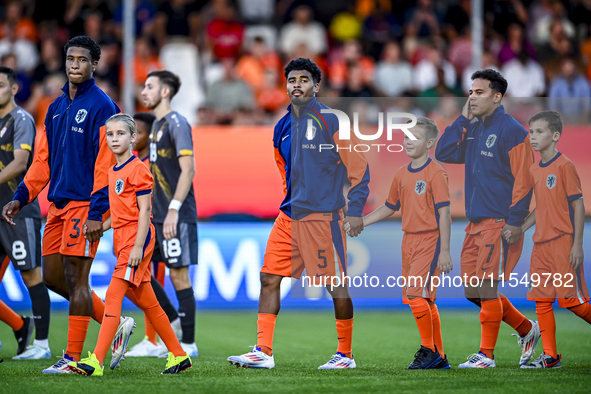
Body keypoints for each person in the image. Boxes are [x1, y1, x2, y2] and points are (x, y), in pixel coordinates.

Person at [1, 35, 134, 373]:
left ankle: (72, 358)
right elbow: (43, 159)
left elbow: (107, 163)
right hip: (56, 206)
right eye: (71, 59)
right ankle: (112, 323)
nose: (75, 65)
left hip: (85, 205)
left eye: (82, 60)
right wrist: (22, 195)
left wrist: (96, 212)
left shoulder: (103, 106)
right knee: (53, 278)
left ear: (94, 64)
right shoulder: (56, 106)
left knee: (77, 280)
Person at [227, 57, 370, 369]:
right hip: (290, 217)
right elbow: (284, 171)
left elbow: (360, 171)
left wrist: (355, 210)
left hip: (325, 219)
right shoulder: (281, 127)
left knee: (336, 286)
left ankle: (345, 355)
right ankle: (263, 351)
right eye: (292, 80)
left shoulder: (334, 122)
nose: (297, 85)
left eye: (304, 79)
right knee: (269, 278)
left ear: (316, 85)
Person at [67, 114, 191, 376]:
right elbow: (120, 211)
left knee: (113, 296)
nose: (114, 139)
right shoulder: (113, 171)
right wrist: (102, 226)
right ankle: (179, 355)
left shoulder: (138, 169)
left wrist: (137, 247)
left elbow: (144, 211)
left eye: (120, 134)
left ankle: (95, 361)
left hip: (138, 238)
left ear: (133, 138)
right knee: (149, 302)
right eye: (110, 134)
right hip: (122, 238)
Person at [435, 69, 541, 368]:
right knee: (472, 291)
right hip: (475, 224)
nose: (472, 97)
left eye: (479, 92)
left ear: (497, 97)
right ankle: (526, 328)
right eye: (471, 92)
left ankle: (487, 355)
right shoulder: (475, 127)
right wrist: (463, 120)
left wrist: (515, 221)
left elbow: (524, 180)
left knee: (486, 287)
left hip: (499, 222)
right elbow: (443, 152)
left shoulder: (513, 131)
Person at [348, 117, 452, 369]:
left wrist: (445, 251)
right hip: (409, 241)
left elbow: (445, 213)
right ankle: (439, 355)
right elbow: (389, 207)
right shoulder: (401, 173)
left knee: (416, 293)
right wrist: (362, 221)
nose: (407, 142)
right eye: (405, 137)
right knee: (423, 298)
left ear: (429, 143)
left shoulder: (436, 171)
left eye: (414, 137)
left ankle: (428, 350)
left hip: (431, 239)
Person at [511, 111, 590, 368]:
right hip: (540, 245)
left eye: (540, 132)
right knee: (541, 300)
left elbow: (578, 206)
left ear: (555, 136)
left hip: (563, 243)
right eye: (531, 132)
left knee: (572, 302)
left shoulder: (564, 165)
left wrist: (577, 244)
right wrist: (522, 228)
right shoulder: (535, 168)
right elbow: (541, 207)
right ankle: (550, 356)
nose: (533, 137)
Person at [141, 70, 198, 357]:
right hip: (158, 214)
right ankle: (173, 321)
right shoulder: (156, 127)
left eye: (149, 86)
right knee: (138, 269)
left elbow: (188, 169)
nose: (143, 91)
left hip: (176, 214)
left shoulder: (177, 123)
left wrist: (174, 209)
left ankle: (188, 342)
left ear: (165, 92)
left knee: (179, 276)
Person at [0, 66, 51, 359]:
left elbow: (21, 162)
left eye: (1, 85)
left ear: (14, 89)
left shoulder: (22, 119)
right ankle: (21, 327)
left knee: (32, 276)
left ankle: (42, 345)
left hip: (19, 211)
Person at [126, 112, 183, 357]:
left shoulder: (152, 162)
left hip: (155, 227)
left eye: (138, 131)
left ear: (150, 136)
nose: (133, 136)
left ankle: (156, 337)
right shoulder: (140, 161)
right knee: (141, 281)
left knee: (145, 280)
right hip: (146, 226)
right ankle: (157, 335)